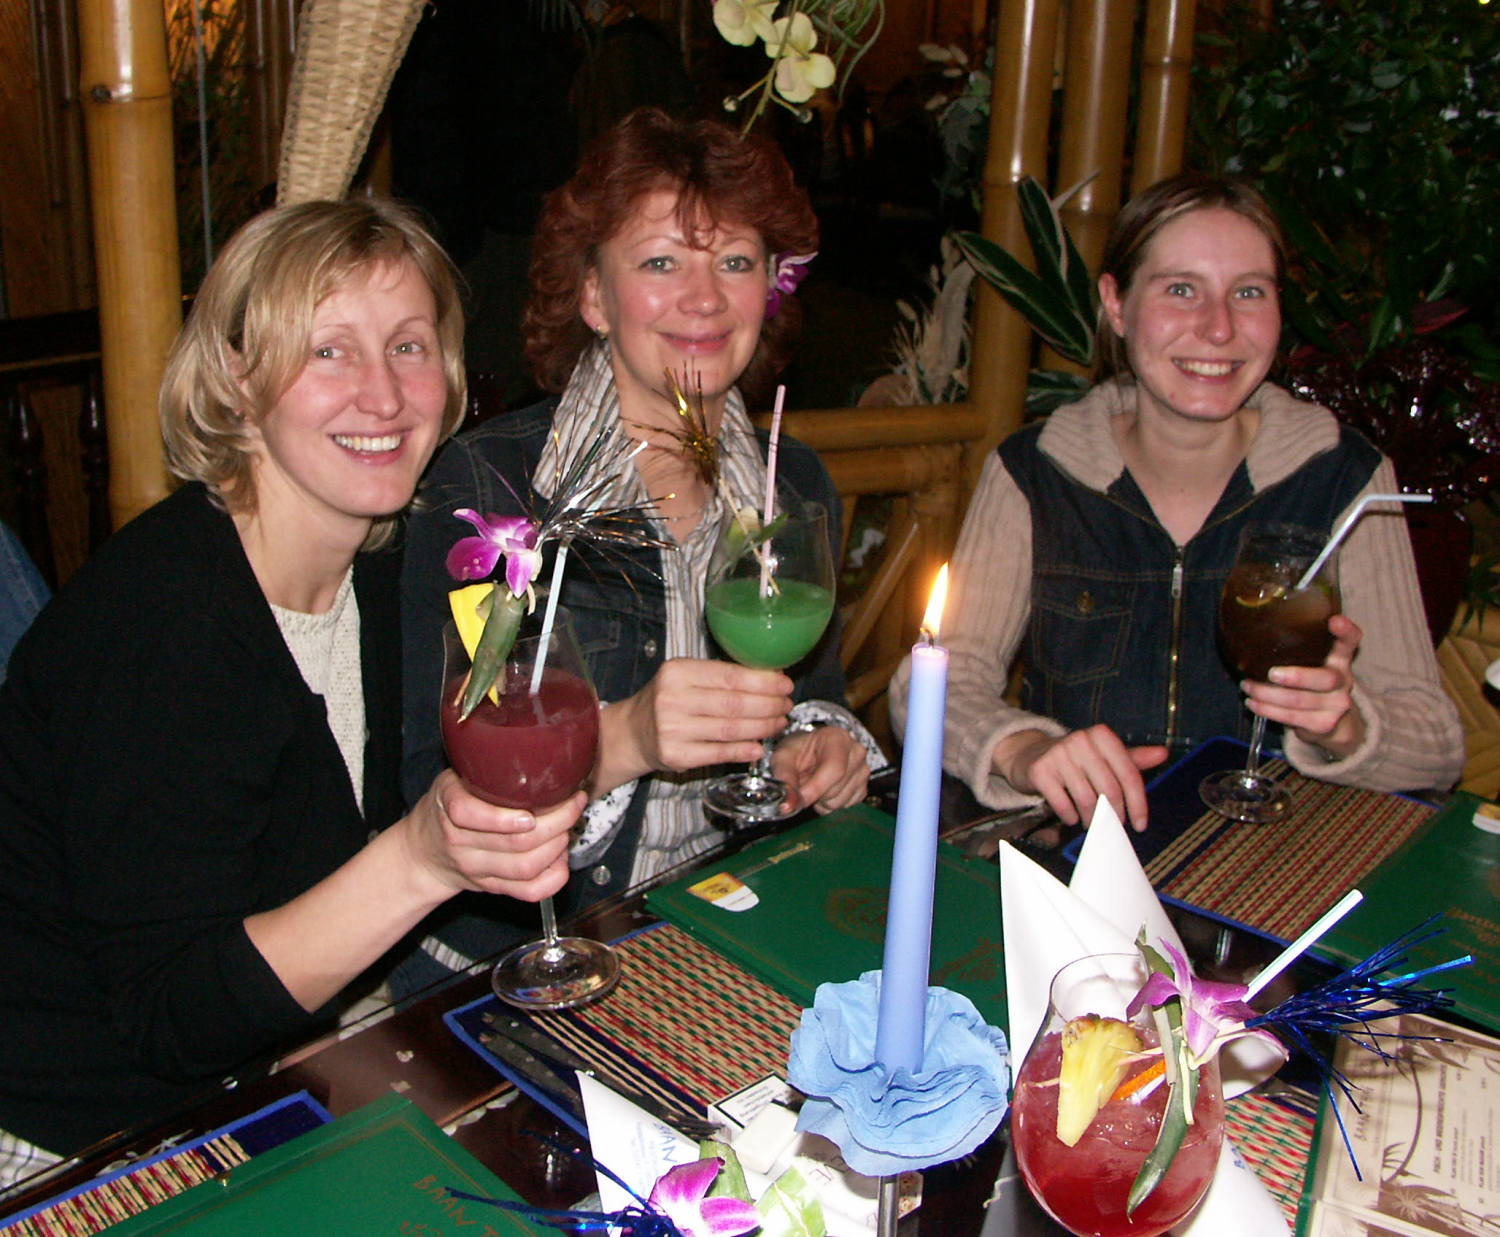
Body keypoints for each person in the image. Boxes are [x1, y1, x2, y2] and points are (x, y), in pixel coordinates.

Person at [0, 199, 582, 1173]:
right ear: (237, 379)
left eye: (407, 346)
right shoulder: (164, 622)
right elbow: (170, 1019)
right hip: (70, 1142)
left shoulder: (383, 568)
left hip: (257, 1078)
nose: (382, 394)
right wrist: (423, 859)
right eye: (328, 351)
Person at [401, 107, 882, 988]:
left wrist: (817, 748)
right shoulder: (492, 490)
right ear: (593, 295)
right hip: (521, 963)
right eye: (661, 262)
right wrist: (623, 736)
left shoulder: (794, 485)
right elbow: (434, 785)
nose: (705, 298)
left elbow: (812, 695)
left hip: (726, 927)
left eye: (735, 262)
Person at [892, 173, 1464, 832]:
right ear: (1117, 304)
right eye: (1181, 289)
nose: (1219, 328)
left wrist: (1348, 726)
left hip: (1278, 859)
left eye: (1248, 292)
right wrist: (1023, 749)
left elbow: (1438, 744)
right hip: (1083, 850)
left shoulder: (1344, 475)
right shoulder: (1036, 471)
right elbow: (933, 685)